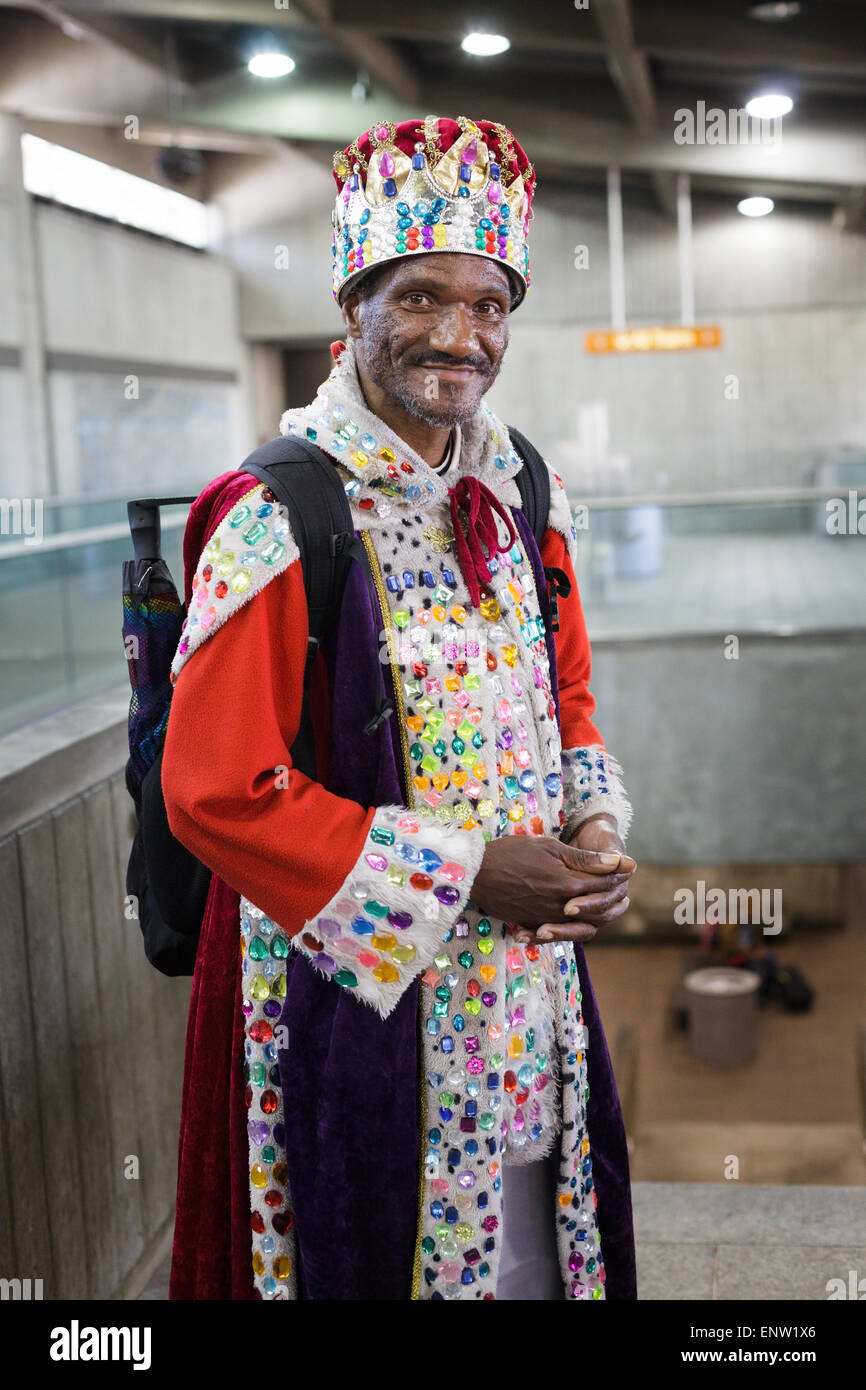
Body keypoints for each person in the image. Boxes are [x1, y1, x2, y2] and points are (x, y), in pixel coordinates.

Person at [162, 114, 638, 1302]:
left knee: (529, 1249)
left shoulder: (523, 484)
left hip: (526, 993)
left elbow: (564, 694)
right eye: (420, 297)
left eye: (487, 305)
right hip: (349, 1004)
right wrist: (473, 871)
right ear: (355, 307)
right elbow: (215, 789)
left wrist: (588, 834)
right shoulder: (278, 511)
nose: (457, 335)